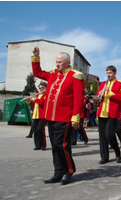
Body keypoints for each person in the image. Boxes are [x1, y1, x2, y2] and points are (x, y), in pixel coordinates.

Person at [31, 47, 84, 185]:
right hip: (51, 117)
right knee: (55, 146)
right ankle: (58, 172)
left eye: (60, 62)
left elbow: (79, 98)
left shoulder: (75, 76)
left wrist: (75, 117)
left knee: (62, 145)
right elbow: (37, 72)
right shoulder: (53, 74)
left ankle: (69, 170)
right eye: (56, 62)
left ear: (67, 62)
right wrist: (36, 57)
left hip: (65, 117)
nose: (57, 64)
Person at [96, 65, 121, 164]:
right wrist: (98, 95)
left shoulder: (120, 84)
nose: (108, 75)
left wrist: (110, 93)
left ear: (115, 73)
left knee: (109, 135)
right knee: (102, 137)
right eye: (107, 73)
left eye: (110, 73)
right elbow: (98, 96)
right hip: (102, 112)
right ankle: (104, 157)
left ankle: (117, 153)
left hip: (112, 113)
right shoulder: (103, 83)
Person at [26, 82, 47, 151]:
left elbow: (41, 102)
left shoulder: (46, 95)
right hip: (36, 115)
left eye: (42, 87)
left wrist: (34, 98)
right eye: (40, 88)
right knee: (35, 130)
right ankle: (38, 145)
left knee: (40, 129)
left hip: (42, 115)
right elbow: (34, 104)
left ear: (46, 87)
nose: (41, 89)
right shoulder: (38, 95)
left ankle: (43, 145)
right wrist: (29, 100)